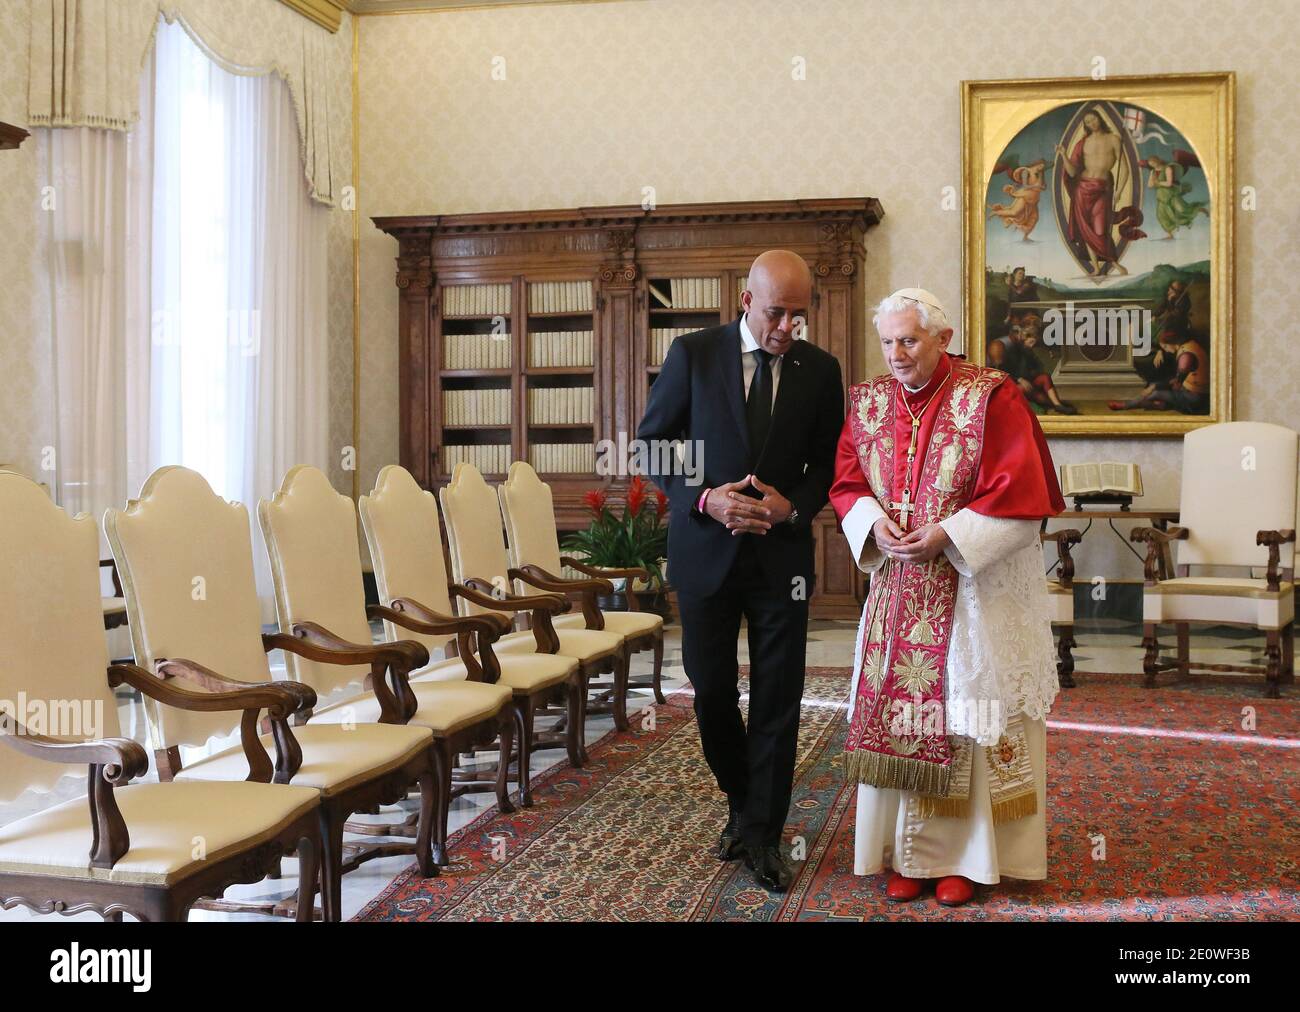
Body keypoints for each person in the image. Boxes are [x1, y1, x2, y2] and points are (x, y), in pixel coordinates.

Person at [828, 288, 1063, 907]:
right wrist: (871, 522)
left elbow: (1022, 498)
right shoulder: (869, 402)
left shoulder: (992, 396)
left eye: (909, 340)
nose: (896, 354)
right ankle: (904, 855)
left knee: (965, 714)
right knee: (901, 715)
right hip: (898, 592)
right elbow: (848, 480)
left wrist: (948, 535)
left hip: (970, 592)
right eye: (887, 342)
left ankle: (966, 860)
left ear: (943, 337)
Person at [637, 250, 844, 892]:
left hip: (781, 560)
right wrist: (704, 497)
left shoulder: (820, 370)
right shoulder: (693, 355)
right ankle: (741, 796)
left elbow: (828, 466)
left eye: (799, 315)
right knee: (714, 692)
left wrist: (794, 506)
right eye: (776, 311)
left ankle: (762, 834)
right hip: (705, 555)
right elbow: (649, 444)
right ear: (746, 303)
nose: (787, 326)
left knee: (779, 698)